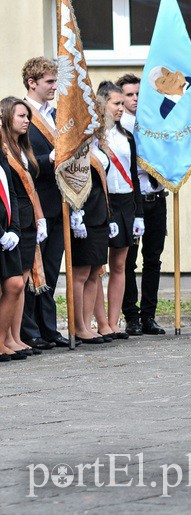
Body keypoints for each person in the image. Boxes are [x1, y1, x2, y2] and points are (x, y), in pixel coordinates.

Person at [21, 57, 69, 350]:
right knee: (31, 272)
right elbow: (16, 159)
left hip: (59, 201)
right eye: (50, 82)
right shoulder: (19, 113)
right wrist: (47, 160)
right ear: (32, 83)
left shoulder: (57, 114)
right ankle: (29, 330)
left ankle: (48, 328)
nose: (55, 87)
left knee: (50, 270)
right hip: (34, 202)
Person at [116, 73, 168, 337]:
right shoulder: (120, 129)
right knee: (128, 261)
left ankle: (149, 315)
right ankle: (131, 316)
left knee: (154, 259)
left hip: (156, 198)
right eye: (129, 95)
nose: (135, 99)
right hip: (134, 201)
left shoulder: (152, 124)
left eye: (139, 94)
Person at [92, 81, 143, 340]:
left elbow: (133, 175)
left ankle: (114, 322)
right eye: (116, 103)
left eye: (123, 103)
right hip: (104, 201)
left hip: (125, 203)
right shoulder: (95, 137)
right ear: (103, 104)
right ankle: (100, 323)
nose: (121, 108)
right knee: (98, 266)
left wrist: (139, 213)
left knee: (120, 264)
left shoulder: (126, 136)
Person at [0, 100, 39, 360]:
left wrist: (12, 228)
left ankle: (6, 339)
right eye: (21, 116)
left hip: (12, 228)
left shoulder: (3, 154)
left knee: (15, 284)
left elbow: (11, 192)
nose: (26, 121)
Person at [69, 127, 116, 344]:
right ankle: (78, 326)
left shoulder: (98, 145)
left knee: (94, 272)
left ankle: (87, 325)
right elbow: (71, 181)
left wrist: (110, 215)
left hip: (100, 213)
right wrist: (75, 211)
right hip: (84, 214)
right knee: (81, 273)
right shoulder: (75, 144)